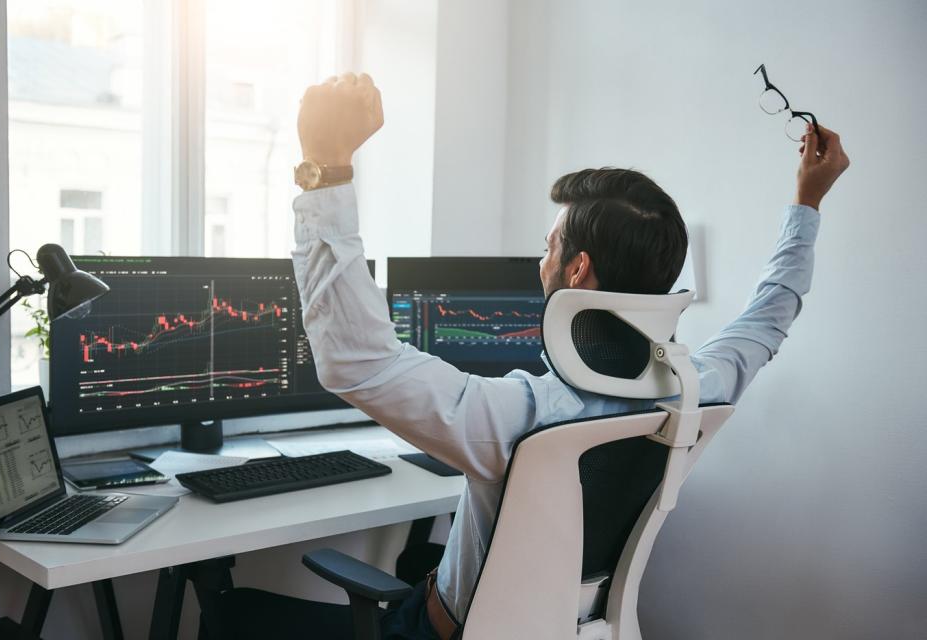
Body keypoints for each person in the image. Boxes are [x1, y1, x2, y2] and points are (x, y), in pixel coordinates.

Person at [220, 72, 849, 639]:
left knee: (232, 610)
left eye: (549, 246)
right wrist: (808, 202)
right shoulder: (699, 387)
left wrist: (325, 169)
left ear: (577, 269)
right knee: (422, 557)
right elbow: (774, 310)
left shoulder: (519, 417)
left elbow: (356, 361)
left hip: (437, 632)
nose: (540, 259)